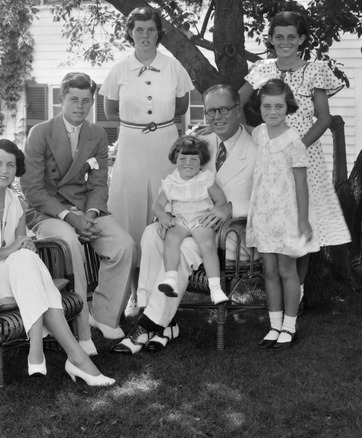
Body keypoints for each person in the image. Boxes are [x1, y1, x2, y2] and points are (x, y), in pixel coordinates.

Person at [0, 140, 115, 386]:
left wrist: (25, 245)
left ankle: (48, 353)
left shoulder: (15, 201)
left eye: (10, 165)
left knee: (26, 256)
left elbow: (20, 243)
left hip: (13, 275)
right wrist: (13, 250)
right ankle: (70, 356)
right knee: (25, 261)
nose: (4, 170)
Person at [113, 85, 257, 354]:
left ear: (238, 110)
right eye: (211, 111)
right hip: (189, 223)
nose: (217, 116)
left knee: (183, 248)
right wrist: (166, 215)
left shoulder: (258, 148)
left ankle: (147, 326)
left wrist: (232, 207)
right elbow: (179, 184)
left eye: (224, 109)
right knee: (151, 233)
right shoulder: (202, 145)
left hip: (230, 235)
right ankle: (161, 317)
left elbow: (271, 201)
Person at [21, 72, 136, 355]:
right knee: (70, 243)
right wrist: (69, 217)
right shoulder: (40, 133)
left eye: (86, 101)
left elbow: (98, 183)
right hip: (48, 212)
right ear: (62, 99)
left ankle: (104, 315)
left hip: (87, 210)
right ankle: (82, 330)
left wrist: (92, 215)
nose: (80, 106)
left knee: (125, 246)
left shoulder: (96, 134)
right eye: (74, 99)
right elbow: (32, 190)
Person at [239, 10, 350, 301]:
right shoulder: (263, 68)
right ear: (271, 40)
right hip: (270, 158)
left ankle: (296, 292)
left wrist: (296, 146)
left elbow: (323, 118)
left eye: (291, 37)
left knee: (302, 222)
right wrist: (247, 129)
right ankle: (278, 286)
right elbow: (235, 101)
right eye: (279, 37)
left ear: (301, 39)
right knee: (276, 216)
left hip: (305, 155)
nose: (285, 42)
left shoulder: (315, 68)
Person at [99, 5, 194, 247]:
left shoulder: (173, 66)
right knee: (129, 201)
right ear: (130, 32)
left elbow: (181, 107)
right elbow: (110, 111)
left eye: (151, 30)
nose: (145, 35)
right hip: (132, 143)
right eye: (139, 29)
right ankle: (130, 273)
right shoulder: (119, 70)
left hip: (166, 141)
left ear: (159, 33)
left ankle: (165, 270)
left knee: (168, 197)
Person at [248, 78, 318, 349]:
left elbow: (301, 182)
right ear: (260, 108)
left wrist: (302, 220)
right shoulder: (259, 133)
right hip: (264, 214)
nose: (273, 112)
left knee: (287, 270)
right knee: (269, 271)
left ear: (288, 108)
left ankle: (290, 326)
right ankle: (274, 325)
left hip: (287, 216)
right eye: (267, 106)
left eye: (279, 106)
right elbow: (242, 129)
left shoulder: (294, 142)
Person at [152, 135, 229, 305]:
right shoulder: (171, 182)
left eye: (194, 159)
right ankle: (171, 278)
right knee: (171, 238)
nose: (188, 163)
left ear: (201, 162)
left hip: (200, 219)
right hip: (179, 219)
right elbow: (157, 206)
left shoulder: (206, 179)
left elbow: (221, 201)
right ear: (175, 159)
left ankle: (215, 287)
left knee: (207, 244)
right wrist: (164, 216)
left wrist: (215, 214)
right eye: (183, 158)